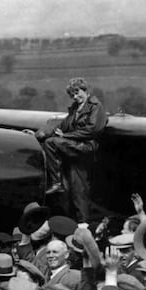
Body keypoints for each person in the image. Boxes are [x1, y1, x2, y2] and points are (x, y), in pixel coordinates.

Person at [37, 77, 106, 222]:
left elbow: (92, 130)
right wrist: (41, 134)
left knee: (79, 191)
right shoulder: (75, 108)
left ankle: (57, 183)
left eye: (77, 92)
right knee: (76, 190)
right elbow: (62, 126)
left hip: (86, 147)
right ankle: (78, 222)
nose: (75, 97)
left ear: (85, 90)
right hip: (73, 148)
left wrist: (67, 136)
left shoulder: (96, 107)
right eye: (72, 95)